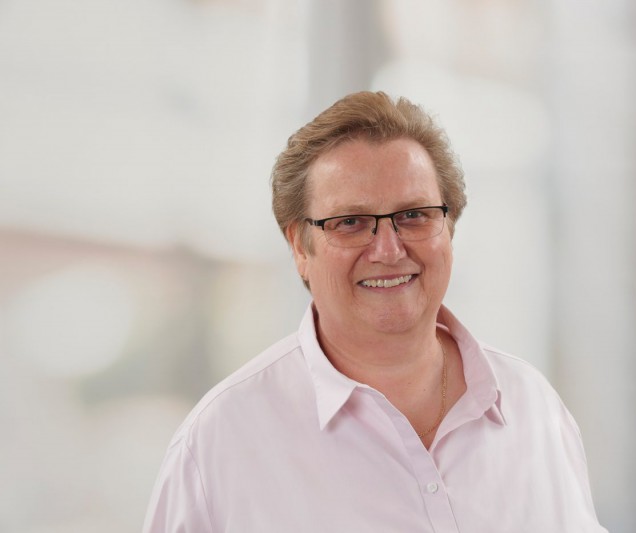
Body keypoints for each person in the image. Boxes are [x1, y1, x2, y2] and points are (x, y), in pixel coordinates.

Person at [143, 91, 608, 532]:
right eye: (350, 222)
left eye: (414, 215)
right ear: (299, 247)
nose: (388, 250)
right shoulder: (218, 443)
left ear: (449, 227)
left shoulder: (533, 406)